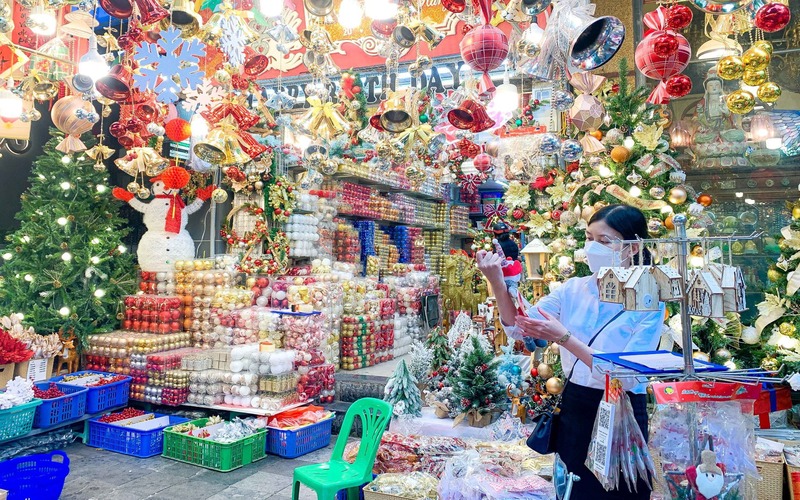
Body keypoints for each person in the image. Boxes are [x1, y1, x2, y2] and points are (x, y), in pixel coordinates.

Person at [476, 204, 664, 499]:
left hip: (621, 409)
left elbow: (626, 375)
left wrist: (565, 338)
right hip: (576, 403)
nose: (592, 247)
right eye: (589, 237)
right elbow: (520, 325)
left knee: (620, 491)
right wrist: (498, 282)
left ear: (632, 247)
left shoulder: (649, 298)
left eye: (604, 241)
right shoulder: (573, 289)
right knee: (573, 488)